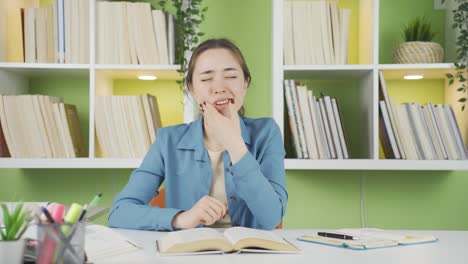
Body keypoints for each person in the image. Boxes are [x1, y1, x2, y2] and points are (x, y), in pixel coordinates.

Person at [108, 38, 287, 231]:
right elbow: (119, 212)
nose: (219, 87)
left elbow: (271, 217)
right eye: (206, 78)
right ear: (192, 89)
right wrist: (181, 218)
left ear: (245, 84)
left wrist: (235, 144)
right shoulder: (168, 140)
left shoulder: (267, 133)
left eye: (231, 76)